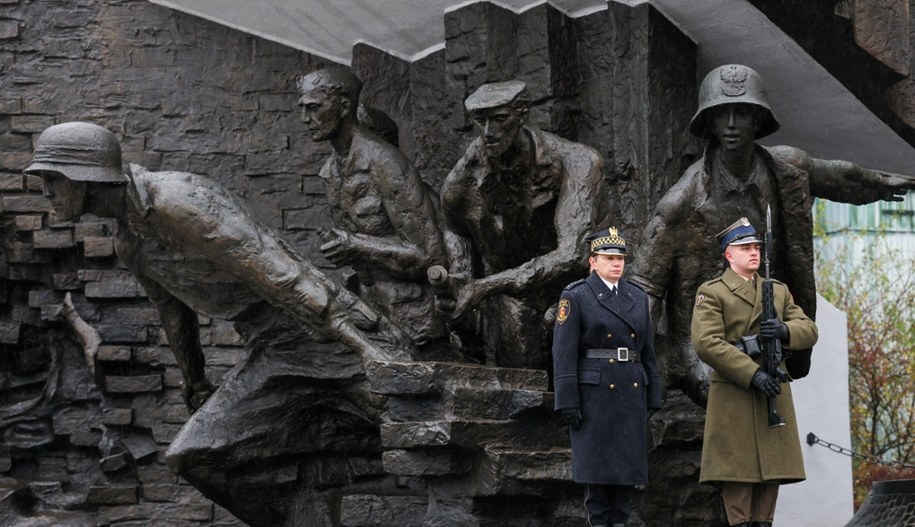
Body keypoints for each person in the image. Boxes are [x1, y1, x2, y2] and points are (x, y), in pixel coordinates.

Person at [23, 121, 412, 449]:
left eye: (52, 180)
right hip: (269, 344)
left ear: (85, 177)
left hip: (317, 331)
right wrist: (194, 382)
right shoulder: (129, 241)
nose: (46, 193)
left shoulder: (175, 201)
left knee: (401, 418)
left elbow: (276, 268)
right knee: (196, 453)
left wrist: (363, 347)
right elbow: (173, 310)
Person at [628, 63, 915, 406]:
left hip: (767, 329)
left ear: (759, 119)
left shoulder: (786, 169)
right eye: (722, 115)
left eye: (743, 113)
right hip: (703, 340)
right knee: (730, 394)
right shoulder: (679, 204)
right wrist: (635, 364)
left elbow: (841, 177)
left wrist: (882, 183)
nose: (732, 125)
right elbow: (643, 293)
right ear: (710, 123)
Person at [439, 80, 607, 369]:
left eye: (499, 119)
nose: (488, 132)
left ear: (522, 115)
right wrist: (460, 284)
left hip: (581, 283)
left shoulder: (578, 162)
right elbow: (455, 228)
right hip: (512, 293)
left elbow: (575, 253)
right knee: (519, 369)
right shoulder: (462, 181)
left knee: (561, 323)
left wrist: (483, 287)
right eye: (480, 121)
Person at [691, 217, 818, 527]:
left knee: (772, 470)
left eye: (757, 248)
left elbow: (809, 328)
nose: (754, 253)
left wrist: (784, 329)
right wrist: (751, 373)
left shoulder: (777, 291)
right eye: (746, 248)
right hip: (736, 391)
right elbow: (707, 343)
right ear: (728, 254)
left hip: (773, 388)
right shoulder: (712, 291)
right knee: (739, 473)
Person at [297, 67, 450, 349]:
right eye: (302, 108)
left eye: (313, 108)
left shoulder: (386, 163)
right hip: (370, 320)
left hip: (414, 323)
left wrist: (355, 244)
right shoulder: (330, 170)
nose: (305, 119)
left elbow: (430, 256)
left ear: (344, 106)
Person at [552, 227, 661, 527]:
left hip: (630, 394)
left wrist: (653, 393)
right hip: (595, 396)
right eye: (609, 259)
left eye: (620, 259)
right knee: (598, 482)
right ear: (592, 262)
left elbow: (648, 353)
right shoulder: (577, 296)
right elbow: (563, 351)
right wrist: (567, 399)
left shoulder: (636, 296)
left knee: (625, 481)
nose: (616, 265)